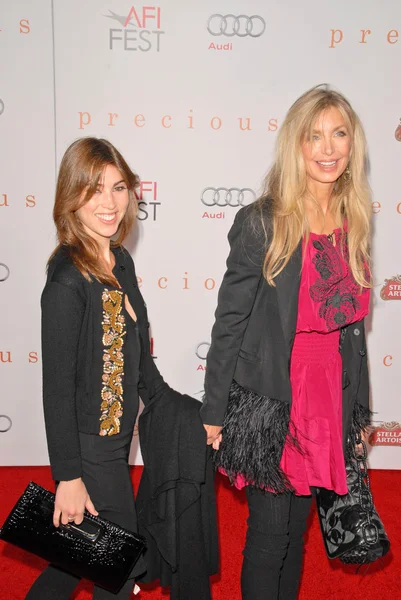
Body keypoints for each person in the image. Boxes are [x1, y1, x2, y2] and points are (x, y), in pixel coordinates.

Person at [201, 85, 373, 600]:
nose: (327, 147)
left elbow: (353, 334)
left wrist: (359, 415)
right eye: (314, 135)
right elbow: (228, 321)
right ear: (295, 145)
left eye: (338, 133)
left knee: (297, 536)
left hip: (329, 399)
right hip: (274, 398)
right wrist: (213, 412)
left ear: (352, 145)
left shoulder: (355, 222)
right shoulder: (263, 221)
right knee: (270, 536)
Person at [26, 137, 171, 599]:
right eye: (93, 190)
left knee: (73, 560)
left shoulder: (119, 261)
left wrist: (185, 413)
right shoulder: (69, 279)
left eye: (118, 186)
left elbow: (139, 359)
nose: (108, 203)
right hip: (90, 447)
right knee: (121, 563)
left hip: (115, 437)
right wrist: (68, 477)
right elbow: (57, 390)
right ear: (72, 198)